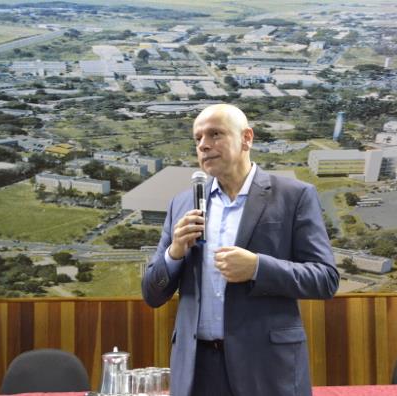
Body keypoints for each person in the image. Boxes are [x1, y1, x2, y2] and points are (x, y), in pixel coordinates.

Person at [142, 104, 339, 396]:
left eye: (215, 134)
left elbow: (325, 279)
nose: (204, 145)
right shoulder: (181, 205)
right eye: (197, 139)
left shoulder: (294, 196)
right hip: (197, 370)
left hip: (266, 367)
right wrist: (175, 253)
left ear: (247, 138)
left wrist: (258, 267)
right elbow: (152, 293)